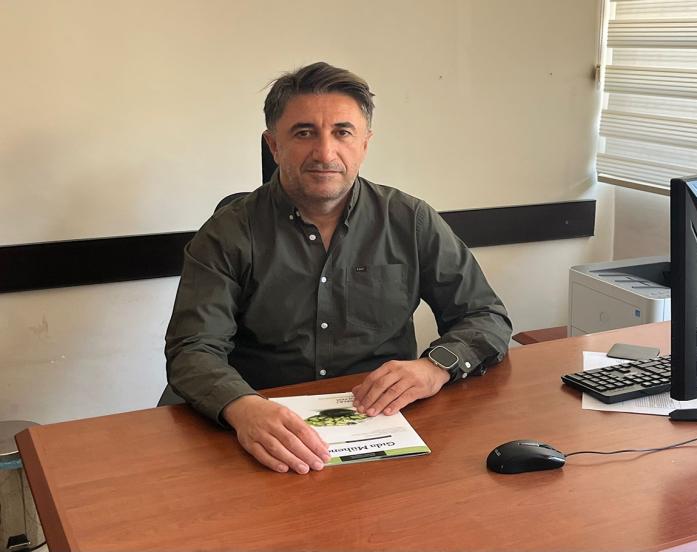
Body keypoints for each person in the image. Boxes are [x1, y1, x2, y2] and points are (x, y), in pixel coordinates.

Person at [165, 61, 512, 475]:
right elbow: (193, 348)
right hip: (265, 431)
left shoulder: (410, 220)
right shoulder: (228, 232)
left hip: (384, 427)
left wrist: (434, 367)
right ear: (273, 145)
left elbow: (485, 315)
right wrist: (241, 407)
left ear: (365, 143)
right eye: (304, 132)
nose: (325, 153)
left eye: (343, 132)